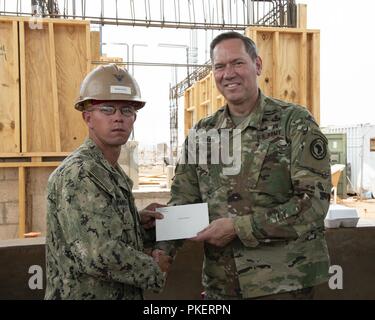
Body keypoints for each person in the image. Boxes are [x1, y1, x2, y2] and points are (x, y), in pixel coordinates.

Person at [161, 31, 332, 299]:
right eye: (220, 66)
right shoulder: (203, 133)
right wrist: (163, 250)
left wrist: (239, 228)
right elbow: (184, 201)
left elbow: (314, 203)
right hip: (222, 285)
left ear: (257, 65)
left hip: (282, 284)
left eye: (237, 63)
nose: (228, 73)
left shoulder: (294, 123)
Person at [45, 64, 172, 300]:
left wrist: (137, 222)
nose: (118, 118)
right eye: (107, 109)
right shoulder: (80, 173)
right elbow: (96, 253)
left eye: (127, 110)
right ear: (88, 117)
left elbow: (102, 231)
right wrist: (154, 268)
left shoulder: (110, 172)